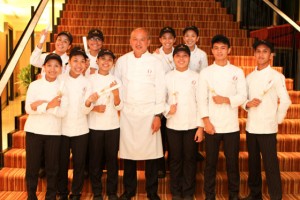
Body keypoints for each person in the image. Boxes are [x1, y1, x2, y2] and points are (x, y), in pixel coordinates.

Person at [114, 27, 165, 200]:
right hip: (128, 113)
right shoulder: (122, 61)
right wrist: (118, 108)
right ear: (130, 41)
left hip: (149, 112)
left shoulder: (156, 62)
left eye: (142, 39)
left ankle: (152, 191)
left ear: (149, 42)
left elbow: (161, 89)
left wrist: (158, 115)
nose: (138, 43)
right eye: (135, 39)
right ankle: (129, 191)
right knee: (128, 155)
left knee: (151, 155)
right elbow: (117, 86)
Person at [198, 34, 247, 200]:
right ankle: (209, 195)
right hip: (212, 125)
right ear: (212, 50)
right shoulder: (205, 73)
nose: (219, 51)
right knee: (210, 163)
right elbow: (201, 99)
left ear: (229, 50)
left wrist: (226, 99)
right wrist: (206, 122)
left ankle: (234, 195)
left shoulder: (237, 71)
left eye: (223, 48)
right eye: (216, 48)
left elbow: (243, 96)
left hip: (231, 125)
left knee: (232, 163)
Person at [241, 40, 291, 200]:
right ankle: (255, 194)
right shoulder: (249, 77)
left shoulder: (277, 76)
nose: (261, 54)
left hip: (268, 128)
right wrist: (247, 104)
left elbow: (286, 100)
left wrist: (276, 120)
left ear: (271, 55)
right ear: (254, 54)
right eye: (258, 51)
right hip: (251, 127)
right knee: (253, 164)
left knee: (271, 165)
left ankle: (276, 196)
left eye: (265, 51)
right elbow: (243, 100)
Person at [24, 53, 68, 200]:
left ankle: (50, 196)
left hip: (54, 132)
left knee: (52, 168)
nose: (52, 69)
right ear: (44, 67)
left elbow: (62, 112)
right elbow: (29, 109)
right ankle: (31, 195)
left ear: (61, 69)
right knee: (32, 167)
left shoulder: (62, 88)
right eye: (49, 65)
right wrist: (49, 105)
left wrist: (40, 105)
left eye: (56, 66)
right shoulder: (34, 85)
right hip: (33, 131)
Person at [164, 44, 204, 200]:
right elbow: (160, 100)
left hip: (191, 125)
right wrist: (168, 109)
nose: (181, 59)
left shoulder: (196, 77)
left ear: (189, 58)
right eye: (178, 56)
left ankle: (188, 192)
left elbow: (202, 102)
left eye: (185, 56)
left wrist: (201, 127)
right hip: (172, 125)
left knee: (189, 159)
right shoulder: (167, 77)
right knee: (174, 159)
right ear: (173, 58)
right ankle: (175, 191)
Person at [57, 47, 97, 200]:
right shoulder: (60, 80)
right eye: (75, 61)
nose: (79, 65)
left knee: (79, 164)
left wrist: (88, 103)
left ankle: (76, 192)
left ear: (86, 64)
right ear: (69, 62)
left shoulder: (87, 82)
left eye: (82, 62)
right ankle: (62, 192)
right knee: (62, 163)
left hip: (81, 129)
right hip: (61, 129)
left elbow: (86, 110)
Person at [88, 49, 122, 200]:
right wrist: (94, 107)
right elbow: (84, 103)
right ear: (97, 61)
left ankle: (112, 192)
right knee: (95, 160)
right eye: (103, 59)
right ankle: (96, 192)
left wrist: (116, 96)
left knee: (112, 161)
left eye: (109, 59)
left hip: (113, 126)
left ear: (113, 63)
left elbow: (120, 107)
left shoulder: (117, 80)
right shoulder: (89, 79)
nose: (106, 62)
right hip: (94, 126)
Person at [153, 26, 177, 178]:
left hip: (175, 100)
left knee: (173, 134)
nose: (167, 41)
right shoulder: (154, 56)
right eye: (164, 38)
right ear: (160, 40)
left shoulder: (180, 53)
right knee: (160, 135)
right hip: (160, 99)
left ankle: (172, 164)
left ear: (174, 39)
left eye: (170, 38)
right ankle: (160, 165)